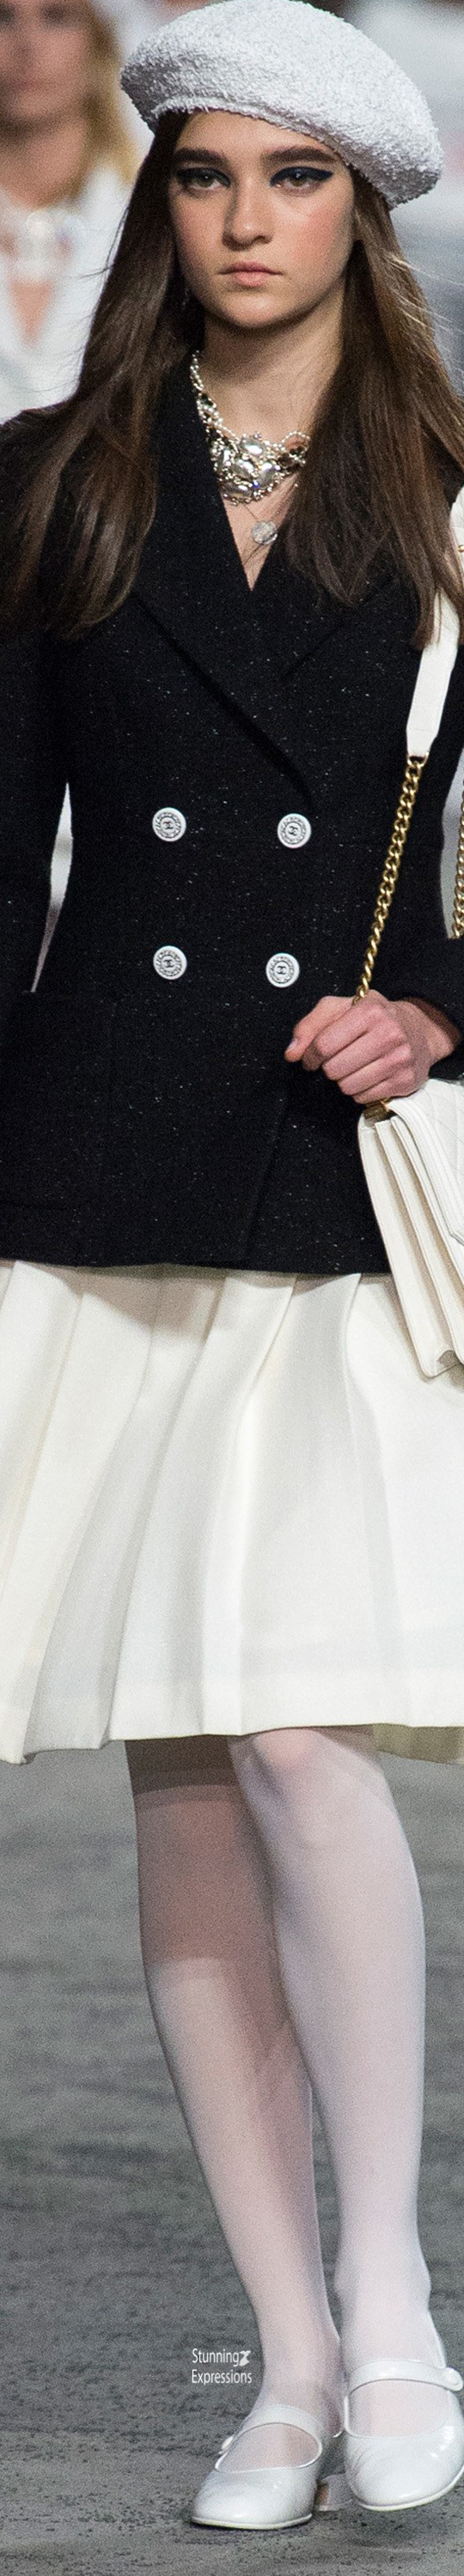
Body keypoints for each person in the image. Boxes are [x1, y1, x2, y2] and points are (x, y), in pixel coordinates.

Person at [1, 0, 464, 2533]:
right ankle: (281, 2368)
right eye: (206, 174)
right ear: (161, 200)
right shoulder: (49, 488)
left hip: (322, 1165)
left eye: (295, 176)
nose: (247, 217)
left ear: (357, 215)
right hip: (100, 1186)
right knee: (180, 1782)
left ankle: (389, 2298)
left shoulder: (453, 501)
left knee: (290, 1736)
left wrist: (447, 1006)